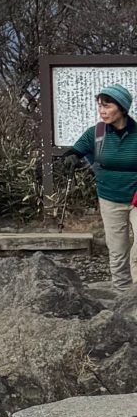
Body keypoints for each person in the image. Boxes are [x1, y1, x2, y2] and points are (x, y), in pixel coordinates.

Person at [56, 83, 137, 290]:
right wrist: (71, 158)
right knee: (118, 249)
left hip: (136, 197)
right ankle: (122, 294)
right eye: (100, 106)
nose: (102, 111)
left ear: (122, 108)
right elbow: (75, 150)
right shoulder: (96, 132)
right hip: (110, 197)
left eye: (107, 106)